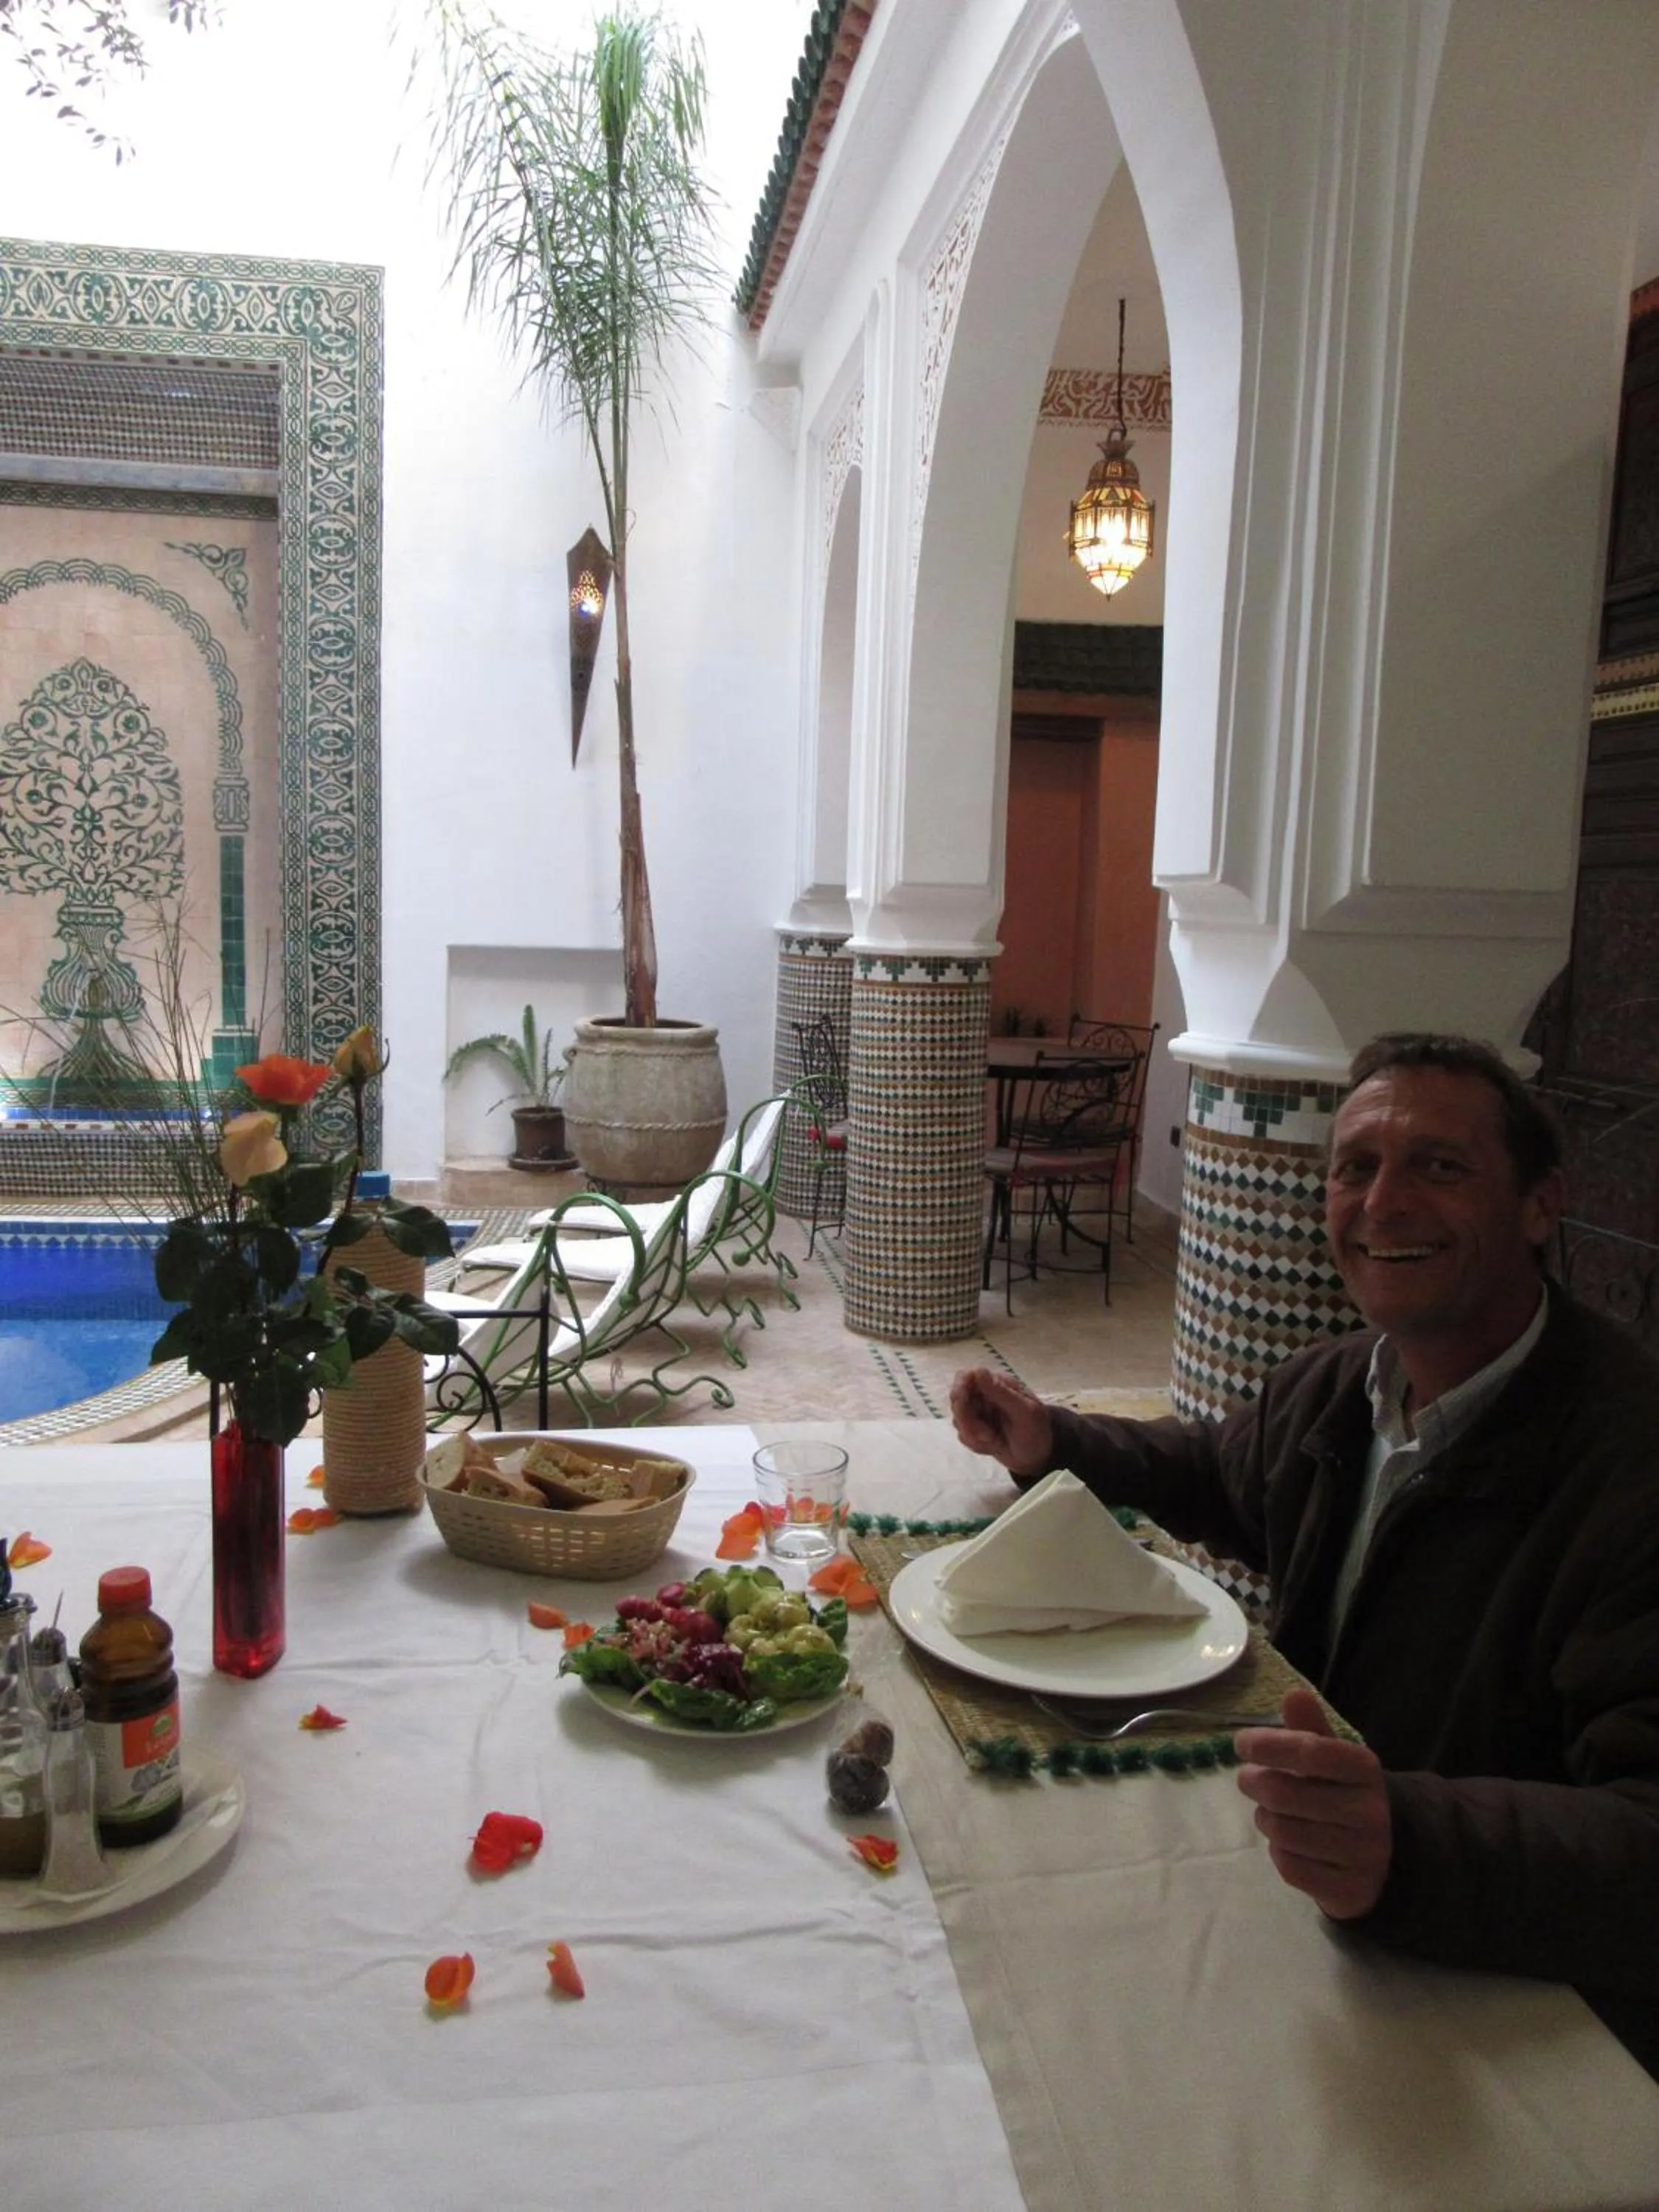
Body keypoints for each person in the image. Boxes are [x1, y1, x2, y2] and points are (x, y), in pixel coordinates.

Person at [951, 1032, 1659, 2075]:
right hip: (1317, 1910)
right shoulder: (1343, 1384)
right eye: (1355, 1167)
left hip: (1515, 2015)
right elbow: (1221, 1477)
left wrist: (1406, 1841)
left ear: (1538, 1205)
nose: (1381, 1205)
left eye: (1439, 1167)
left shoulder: (1624, 1460)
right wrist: (1058, 1442)